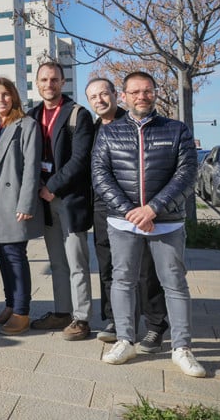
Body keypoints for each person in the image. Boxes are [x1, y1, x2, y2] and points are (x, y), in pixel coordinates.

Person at [93, 71, 205, 377]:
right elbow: (100, 175)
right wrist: (130, 211)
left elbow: (186, 175)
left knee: (175, 284)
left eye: (147, 91)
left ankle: (181, 348)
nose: (142, 96)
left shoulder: (176, 130)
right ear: (124, 97)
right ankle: (126, 340)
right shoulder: (109, 132)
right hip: (123, 222)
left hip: (166, 222)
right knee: (123, 280)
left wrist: (153, 208)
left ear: (155, 93)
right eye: (135, 92)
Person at [85, 77, 169, 348]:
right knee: (109, 265)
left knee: (145, 268)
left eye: (103, 94)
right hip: (103, 206)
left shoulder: (131, 122)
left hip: (138, 207)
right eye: (93, 97)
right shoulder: (94, 128)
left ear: (116, 95)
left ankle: (155, 324)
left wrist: (141, 208)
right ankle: (117, 320)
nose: (99, 100)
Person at [28, 62, 95, 341]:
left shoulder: (78, 114)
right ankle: (62, 312)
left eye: (54, 79)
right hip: (44, 199)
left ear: (63, 82)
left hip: (68, 199)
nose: (49, 84)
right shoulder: (32, 115)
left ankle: (82, 318)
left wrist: (52, 187)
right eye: (44, 79)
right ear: (37, 83)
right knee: (57, 261)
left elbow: (80, 159)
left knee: (76, 260)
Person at [0, 78, 44, 335]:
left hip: (14, 200)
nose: (0, 100)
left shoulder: (26, 124)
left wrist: (27, 202)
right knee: (2, 256)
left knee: (15, 256)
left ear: (14, 97)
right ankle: (9, 305)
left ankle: (21, 311)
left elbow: (32, 165)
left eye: (5, 95)